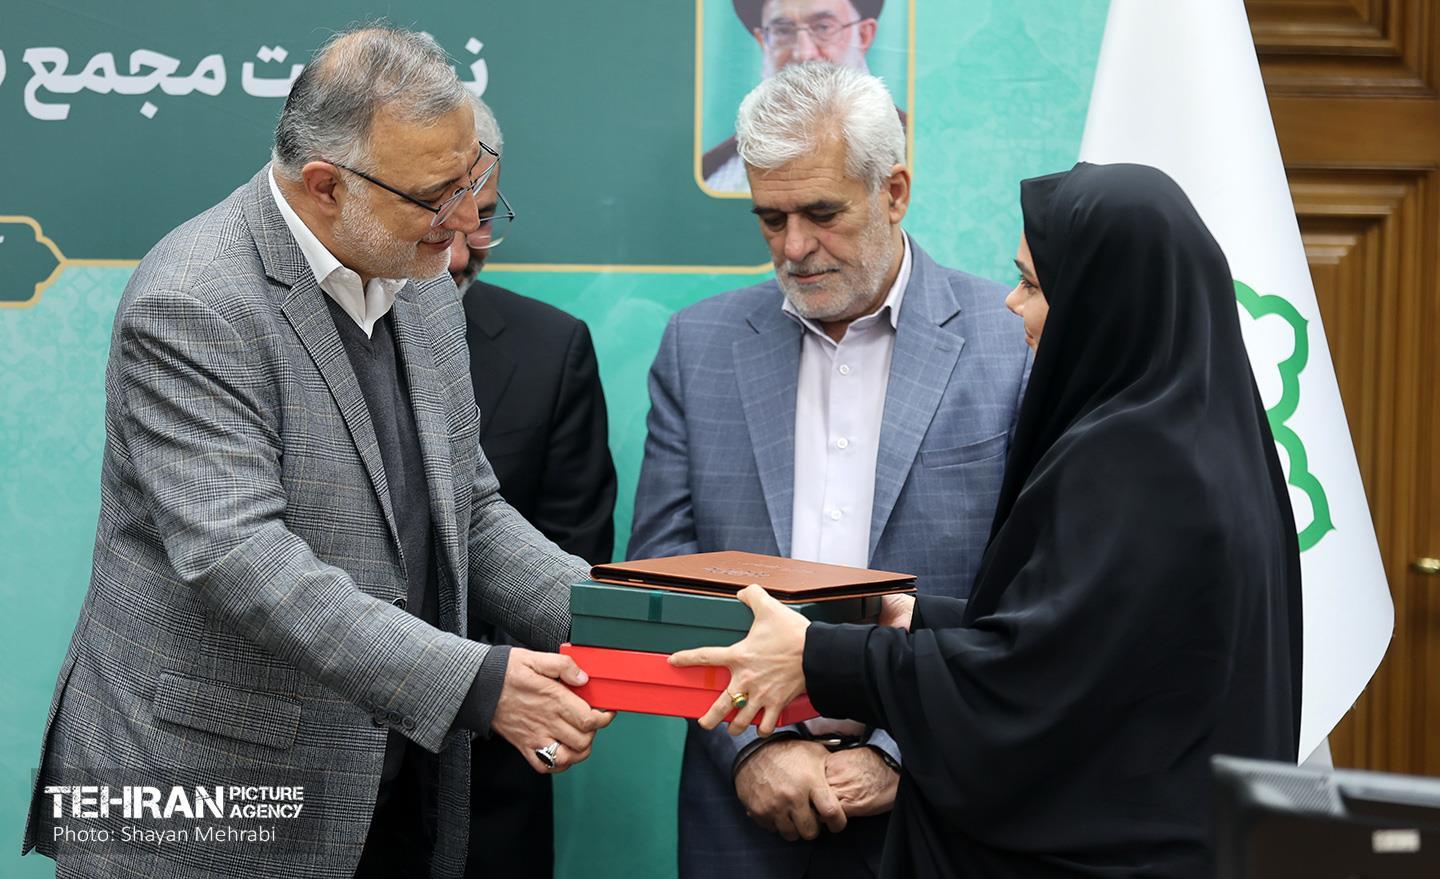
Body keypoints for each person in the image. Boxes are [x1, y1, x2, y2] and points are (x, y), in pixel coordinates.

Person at [22, 27, 613, 879]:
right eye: (435, 197)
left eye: (471, 185)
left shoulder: (414, 273)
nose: (461, 228)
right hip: (202, 790)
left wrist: (618, 625)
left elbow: (470, 510)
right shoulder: (193, 299)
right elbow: (242, 557)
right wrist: (478, 683)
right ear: (327, 185)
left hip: (382, 784)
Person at [674, 162, 1304, 878]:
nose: (1011, 302)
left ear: (1099, 302)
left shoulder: (1129, 461)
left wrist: (819, 655)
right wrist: (915, 617)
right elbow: (1087, 635)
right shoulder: (1205, 439)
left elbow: (1031, 688)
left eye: (1033, 285)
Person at [631, 63, 1028, 878]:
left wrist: (901, 750)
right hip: (745, 813)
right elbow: (666, 584)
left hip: (946, 804)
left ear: (894, 191)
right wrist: (755, 748)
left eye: (821, 213)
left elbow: (1028, 596)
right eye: (770, 218)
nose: (794, 246)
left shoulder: (1010, 342)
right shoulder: (698, 346)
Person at [446, 95, 618, 879]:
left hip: (491, 772)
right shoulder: (244, 321)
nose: (460, 255)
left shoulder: (551, 349)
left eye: (482, 219)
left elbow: (546, 549)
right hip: (311, 765)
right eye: (440, 220)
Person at [703, 0, 903, 193]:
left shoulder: (913, 151)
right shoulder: (717, 177)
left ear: (863, 35)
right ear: (763, 41)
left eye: (823, 28)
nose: (804, 53)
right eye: (783, 31)